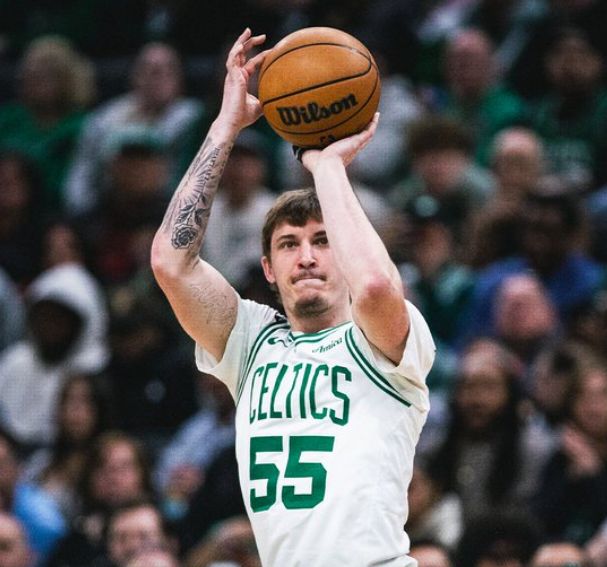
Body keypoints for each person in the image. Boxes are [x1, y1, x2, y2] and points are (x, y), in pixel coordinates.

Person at [151, 28, 436, 567]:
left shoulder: (382, 342)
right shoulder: (252, 342)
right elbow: (170, 261)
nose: (306, 256)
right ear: (268, 268)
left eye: (323, 241)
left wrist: (327, 167)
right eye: (289, 244)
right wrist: (226, 125)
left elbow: (375, 286)